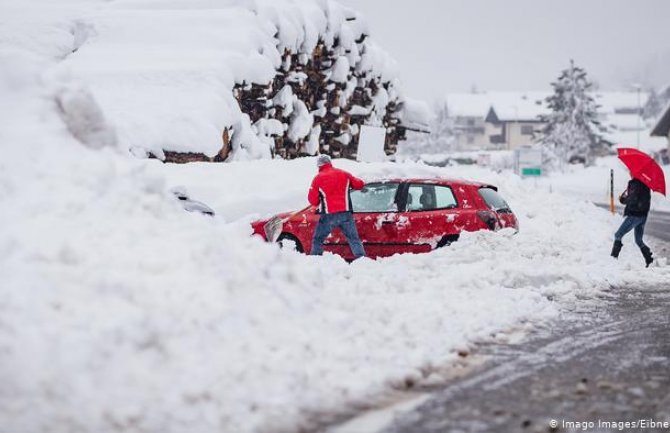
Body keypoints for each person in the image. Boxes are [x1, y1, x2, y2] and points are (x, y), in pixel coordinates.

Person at [308, 154, 366, 258]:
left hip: (329, 215)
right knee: (353, 239)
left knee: (318, 239)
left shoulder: (317, 179)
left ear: (319, 166)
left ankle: (315, 261)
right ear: (330, 163)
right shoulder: (344, 174)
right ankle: (362, 260)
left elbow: (313, 201)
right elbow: (360, 184)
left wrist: (321, 197)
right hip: (346, 213)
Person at [611, 177, 653, 267]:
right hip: (643, 216)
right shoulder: (645, 183)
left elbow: (632, 200)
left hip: (635, 215)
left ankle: (613, 259)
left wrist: (623, 200)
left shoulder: (635, 183)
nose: (630, 172)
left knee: (618, 235)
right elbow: (638, 198)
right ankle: (649, 259)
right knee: (638, 240)